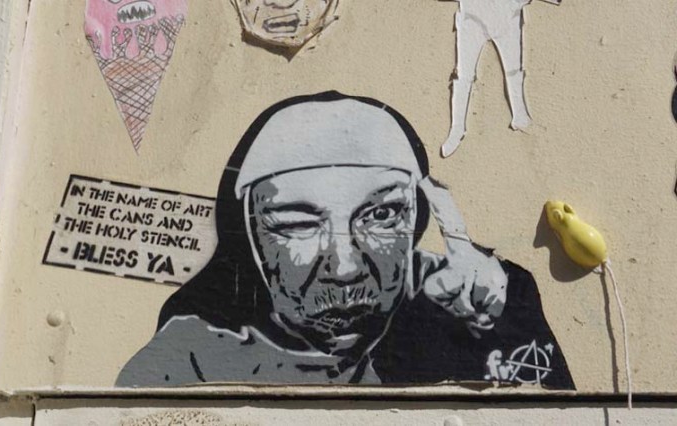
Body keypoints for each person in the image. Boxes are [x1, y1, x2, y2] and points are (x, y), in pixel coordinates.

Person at [117, 91, 574, 388]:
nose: (345, 267)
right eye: (298, 224)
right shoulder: (191, 363)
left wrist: (503, 322)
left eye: (381, 215)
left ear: (417, 218)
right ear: (250, 239)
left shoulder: (457, 305)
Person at [441, 0, 540, 157]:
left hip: (508, 14)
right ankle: (457, 128)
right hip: (472, 15)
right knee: (464, 75)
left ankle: (520, 115)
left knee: (513, 70)